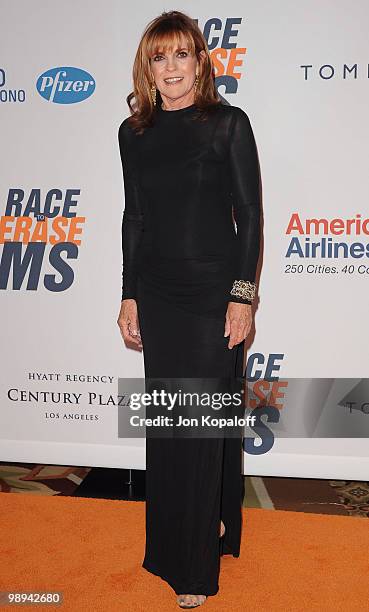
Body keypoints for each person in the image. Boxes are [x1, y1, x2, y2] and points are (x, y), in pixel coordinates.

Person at [117, 10, 261, 609]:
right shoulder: (134, 132)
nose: (171, 68)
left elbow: (250, 215)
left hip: (210, 293)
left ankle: (196, 569)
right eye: (159, 57)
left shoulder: (228, 124)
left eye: (182, 55)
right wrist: (128, 293)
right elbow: (135, 216)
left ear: (201, 61)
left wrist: (242, 297)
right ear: (147, 67)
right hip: (158, 292)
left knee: (204, 422)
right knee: (174, 422)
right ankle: (183, 538)